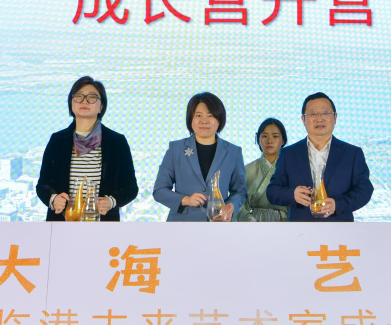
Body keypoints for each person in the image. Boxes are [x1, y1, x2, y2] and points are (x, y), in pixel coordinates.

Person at [36, 76, 138, 221]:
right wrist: (53, 199)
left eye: (92, 97)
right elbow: (42, 185)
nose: (84, 101)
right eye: (78, 96)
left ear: (101, 106)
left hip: (103, 226)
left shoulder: (116, 142)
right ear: (71, 103)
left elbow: (131, 187)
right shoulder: (58, 140)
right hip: (62, 225)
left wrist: (111, 201)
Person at [266, 92, 373, 221]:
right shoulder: (289, 154)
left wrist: (338, 204)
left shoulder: (352, 154)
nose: (319, 118)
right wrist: (292, 194)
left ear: (335, 117)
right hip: (300, 229)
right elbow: (272, 191)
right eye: (313, 114)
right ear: (303, 119)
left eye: (325, 113)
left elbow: (364, 190)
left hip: (340, 228)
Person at [153, 92, 246, 221]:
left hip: (218, 223)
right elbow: (159, 190)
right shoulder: (176, 149)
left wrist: (231, 206)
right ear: (190, 118)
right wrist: (186, 200)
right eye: (198, 115)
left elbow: (240, 192)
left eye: (210, 115)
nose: (204, 121)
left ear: (219, 119)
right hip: (182, 224)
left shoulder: (233, 152)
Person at [236, 118, 290, 222]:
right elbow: (238, 202)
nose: (269, 141)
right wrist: (248, 219)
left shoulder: (292, 169)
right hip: (254, 223)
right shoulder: (247, 170)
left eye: (275, 136)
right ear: (258, 139)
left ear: (283, 140)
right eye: (264, 136)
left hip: (286, 223)